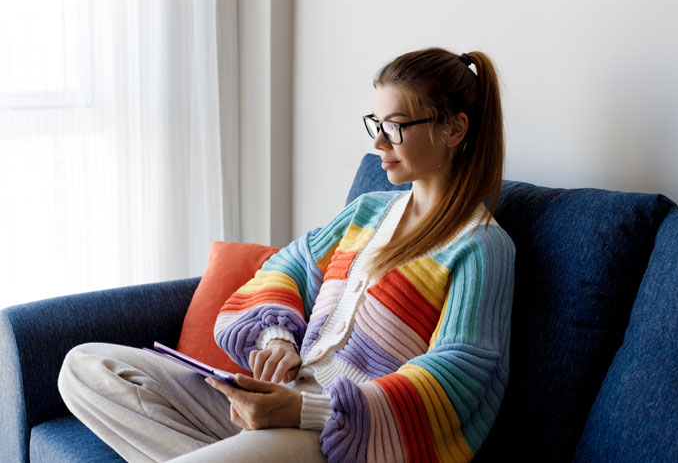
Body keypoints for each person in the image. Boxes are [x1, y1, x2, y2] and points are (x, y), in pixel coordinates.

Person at [59, 47, 515, 463]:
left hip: (343, 436)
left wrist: (305, 410)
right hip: (285, 396)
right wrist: (277, 338)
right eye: (376, 124)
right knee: (85, 367)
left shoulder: (481, 247)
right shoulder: (368, 212)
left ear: (454, 128)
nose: (378, 143)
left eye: (395, 126)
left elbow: (456, 378)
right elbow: (288, 265)